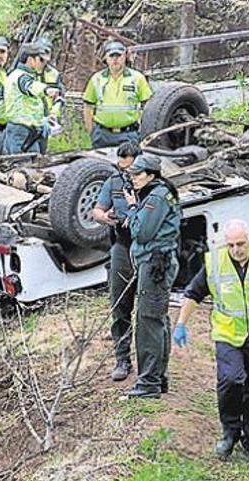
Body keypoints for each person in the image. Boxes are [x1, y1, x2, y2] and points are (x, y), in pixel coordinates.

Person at [173, 220, 249, 461]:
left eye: (241, 243)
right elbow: (194, 294)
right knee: (231, 379)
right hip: (228, 333)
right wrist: (181, 324)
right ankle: (230, 431)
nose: (236, 249)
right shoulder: (215, 263)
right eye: (231, 245)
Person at [123, 154, 181, 399]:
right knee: (158, 319)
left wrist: (133, 207)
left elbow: (142, 232)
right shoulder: (160, 193)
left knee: (148, 322)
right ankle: (158, 378)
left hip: (155, 264)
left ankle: (148, 383)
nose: (134, 179)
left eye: (138, 174)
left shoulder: (155, 198)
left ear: (151, 175)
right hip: (158, 262)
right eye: (132, 174)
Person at [92, 142, 142, 381]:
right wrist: (107, 218)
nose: (127, 175)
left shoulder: (154, 185)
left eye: (130, 169)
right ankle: (122, 358)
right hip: (121, 244)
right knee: (120, 305)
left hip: (145, 245)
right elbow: (97, 211)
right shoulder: (112, 182)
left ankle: (149, 363)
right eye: (122, 169)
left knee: (149, 310)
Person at [82, 41, 152, 149]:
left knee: (127, 165)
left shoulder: (137, 78)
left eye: (118, 55)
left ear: (125, 57)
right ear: (105, 58)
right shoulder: (96, 79)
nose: (115, 59)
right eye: (111, 55)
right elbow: (88, 106)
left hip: (128, 134)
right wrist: (91, 132)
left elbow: (148, 106)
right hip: (102, 135)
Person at [2, 42, 63, 155]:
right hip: (21, 131)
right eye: (41, 59)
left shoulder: (24, 75)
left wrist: (44, 120)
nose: (44, 63)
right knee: (21, 167)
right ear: (30, 59)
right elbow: (28, 86)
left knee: (32, 164)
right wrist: (46, 90)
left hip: (29, 131)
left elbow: (28, 106)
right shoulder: (21, 77)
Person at [36, 36, 65, 137]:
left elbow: (60, 97)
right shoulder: (26, 72)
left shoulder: (53, 74)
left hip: (47, 119)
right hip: (30, 120)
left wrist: (54, 114)